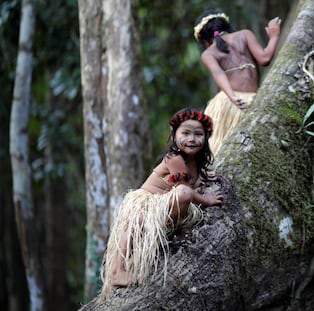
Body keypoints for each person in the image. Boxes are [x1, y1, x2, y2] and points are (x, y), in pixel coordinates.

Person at [98, 108, 223, 301]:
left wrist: (205, 177)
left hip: (165, 208)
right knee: (143, 216)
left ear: (206, 138)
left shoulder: (195, 162)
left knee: (178, 197)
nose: (192, 139)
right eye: (186, 133)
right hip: (147, 204)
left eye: (198, 134)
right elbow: (185, 190)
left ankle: (158, 235)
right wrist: (207, 200)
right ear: (174, 135)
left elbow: (192, 183)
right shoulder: (174, 158)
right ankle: (117, 270)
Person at [194, 9, 282, 154]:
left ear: (204, 39)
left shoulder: (208, 53)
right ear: (226, 26)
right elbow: (265, 58)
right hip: (244, 101)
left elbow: (218, 73)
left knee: (222, 147)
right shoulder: (245, 34)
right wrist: (274, 35)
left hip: (230, 102)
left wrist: (233, 97)